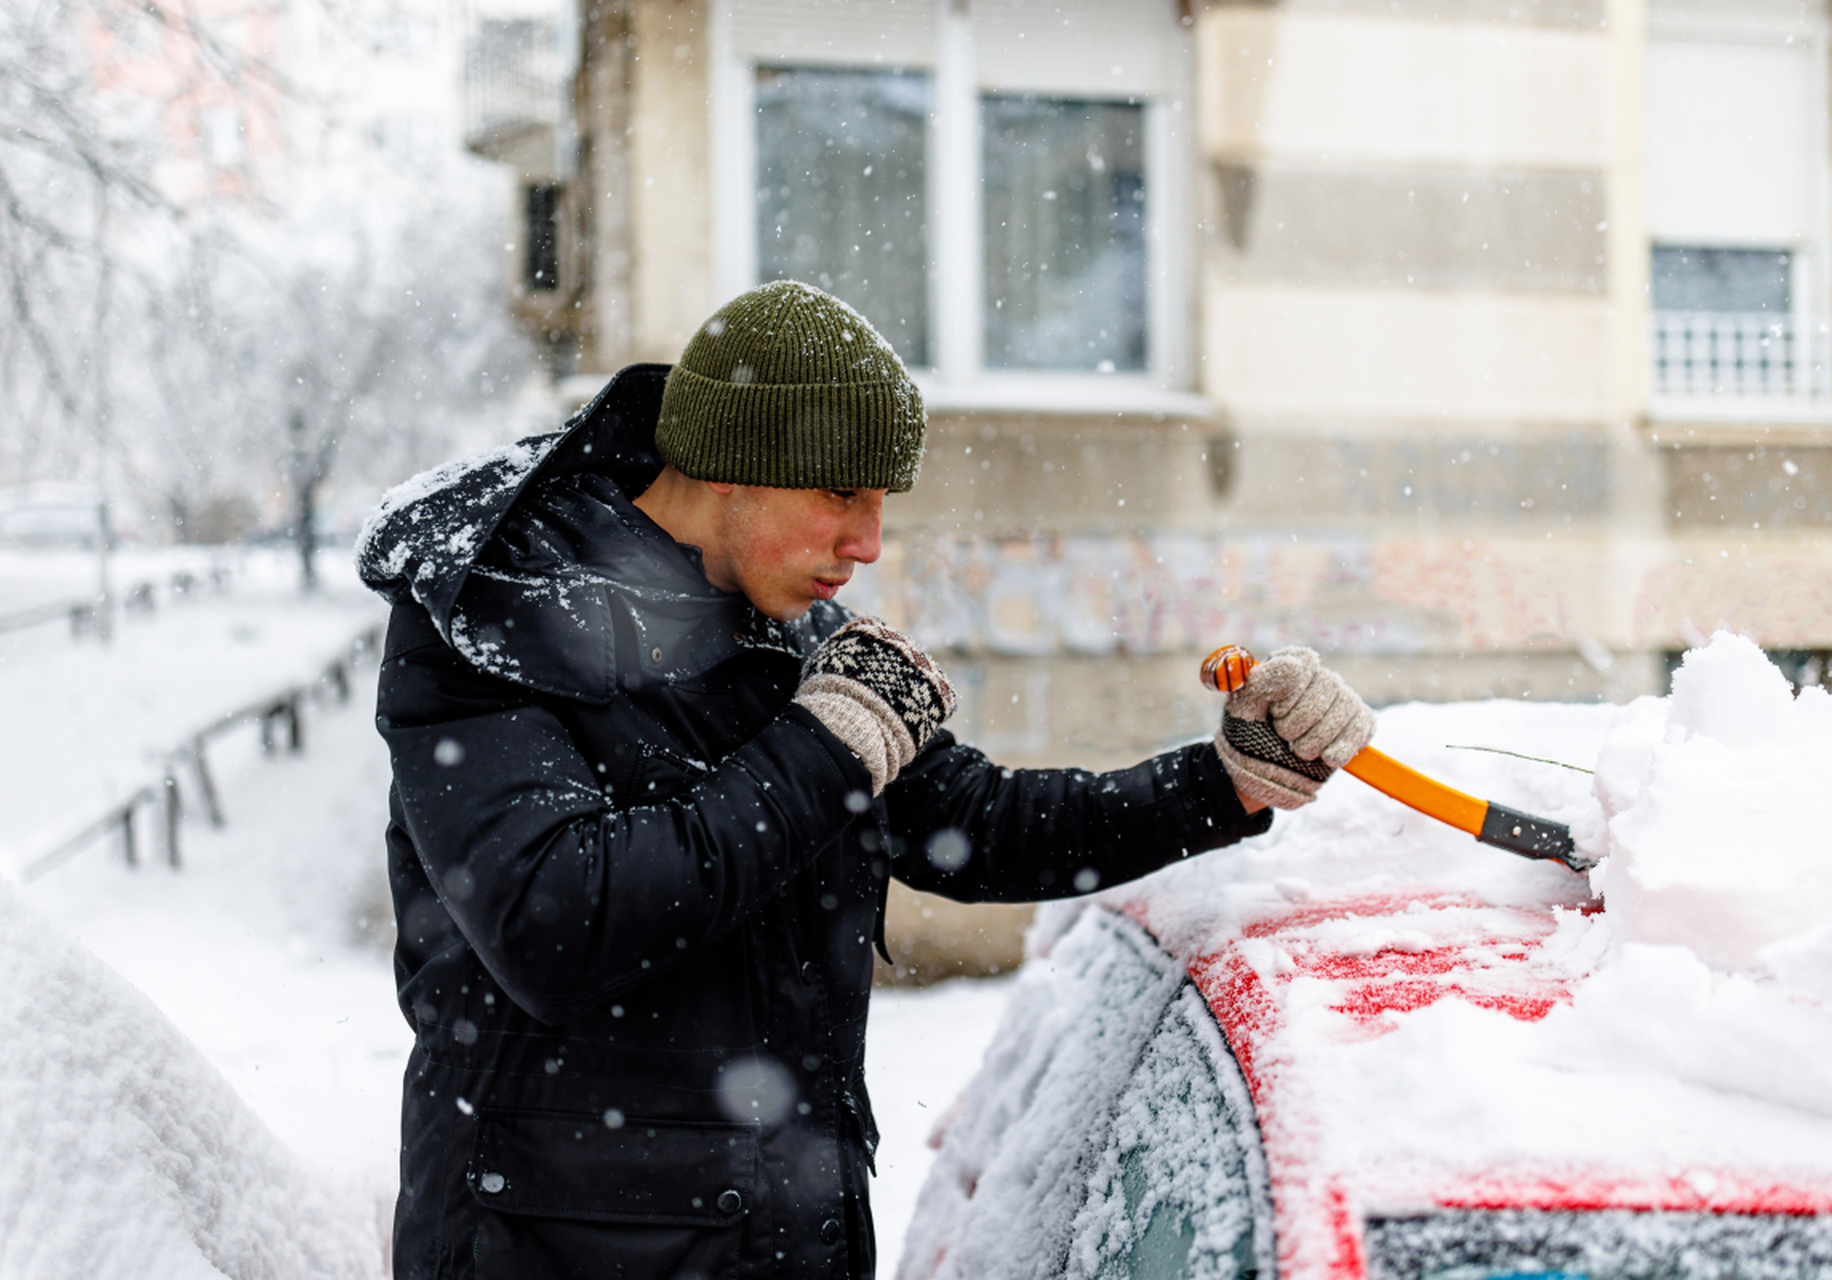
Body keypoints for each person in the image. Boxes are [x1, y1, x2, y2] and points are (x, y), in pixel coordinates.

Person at [356, 280, 1374, 1280]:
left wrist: (1223, 781)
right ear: (729, 468)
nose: (869, 540)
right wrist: (826, 748)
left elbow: (980, 823)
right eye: (842, 491)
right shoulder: (493, 617)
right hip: (555, 1242)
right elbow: (559, 923)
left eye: (883, 499)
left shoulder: (791, 628)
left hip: (784, 1232)